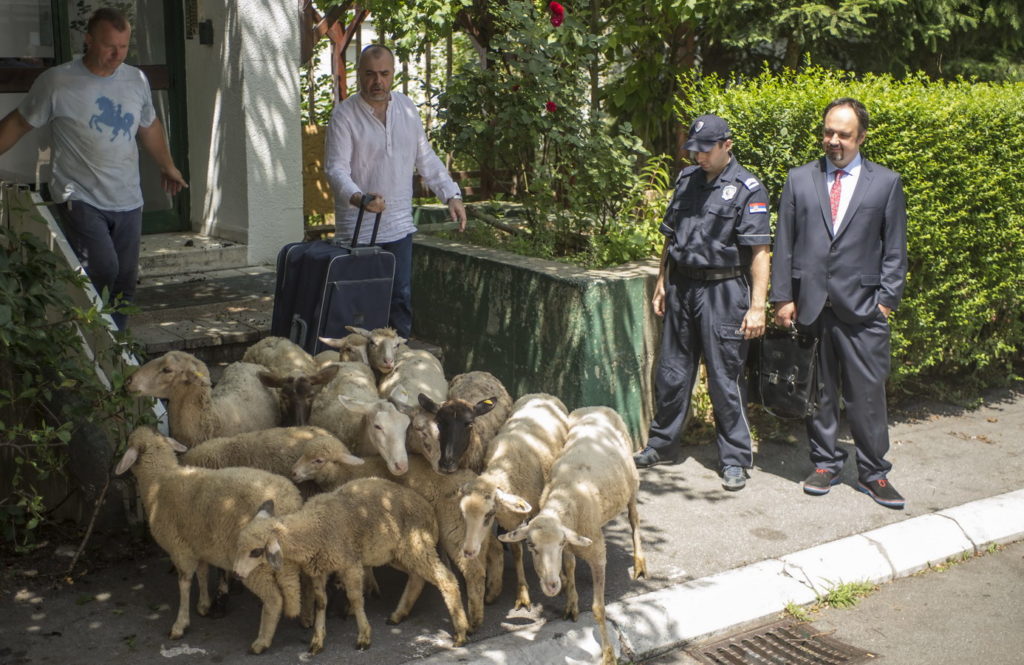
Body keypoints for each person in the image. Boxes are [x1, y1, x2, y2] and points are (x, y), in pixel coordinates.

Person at [0, 7, 187, 330]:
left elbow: (149, 126)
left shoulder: (136, 80)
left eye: (124, 46)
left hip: (127, 197)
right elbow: (18, 122)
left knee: (124, 282)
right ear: (88, 40)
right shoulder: (57, 81)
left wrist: (168, 166)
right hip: (79, 195)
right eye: (109, 46)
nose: (117, 55)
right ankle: (82, 332)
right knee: (102, 268)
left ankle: (115, 347)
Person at [770, 97, 908, 509]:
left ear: (861, 137)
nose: (833, 140)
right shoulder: (799, 179)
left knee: (867, 396)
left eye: (843, 134)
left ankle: (874, 472)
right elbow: (784, 243)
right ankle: (825, 463)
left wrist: (885, 302)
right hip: (811, 306)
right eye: (828, 132)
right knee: (820, 391)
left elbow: (895, 250)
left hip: (863, 309)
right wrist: (783, 297)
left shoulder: (885, 183)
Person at [633, 114, 771, 492]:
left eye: (707, 150)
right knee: (672, 372)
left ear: (727, 145)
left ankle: (735, 459)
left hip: (724, 291)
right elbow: (671, 236)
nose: (699, 157)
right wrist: (662, 281)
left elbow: (760, 252)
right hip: (682, 286)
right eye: (695, 150)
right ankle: (661, 445)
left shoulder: (748, 188)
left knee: (725, 377)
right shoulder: (687, 180)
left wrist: (757, 306)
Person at [324, 44, 467, 339]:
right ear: (359, 74)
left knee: (399, 298)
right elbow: (336, 170)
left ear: (393, 74)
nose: (377, 81)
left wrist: (451, 195)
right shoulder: (344, 115)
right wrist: (360, 199)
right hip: (359, 230)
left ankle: (399, 360)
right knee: (359, 306)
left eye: (384, 74)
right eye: (370, 74)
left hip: (399, 226)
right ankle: (358, 365)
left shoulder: (406, 108)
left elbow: (425, 157)